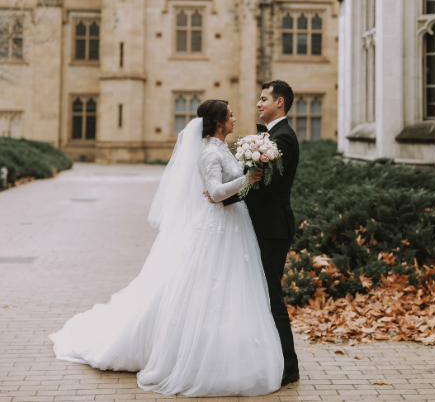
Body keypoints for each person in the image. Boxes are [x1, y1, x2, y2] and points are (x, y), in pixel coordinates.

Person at [49, 100, 283, 396]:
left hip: (233, 224)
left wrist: (250, 176)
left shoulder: (223, 148)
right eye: (230, 115)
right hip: (217, 226)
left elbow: (229, 186)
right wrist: (246, 178)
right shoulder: (210, 151)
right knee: (206, 288)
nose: (235, 119)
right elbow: (214, 193)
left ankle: (229, 352)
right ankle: (195, 356)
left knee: (231, 287)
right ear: (219, 122)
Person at [211, 80, 300, 386]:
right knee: (261, 294)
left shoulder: (283, 139)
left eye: (264, 99)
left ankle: (289, 367)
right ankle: (271, 359)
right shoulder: (269, 136)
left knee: (271, 295)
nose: (259, 103)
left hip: (273, 228)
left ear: (280, 103)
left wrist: (225, 197)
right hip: (261, 227)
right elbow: (255, 179)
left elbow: (264, 186)